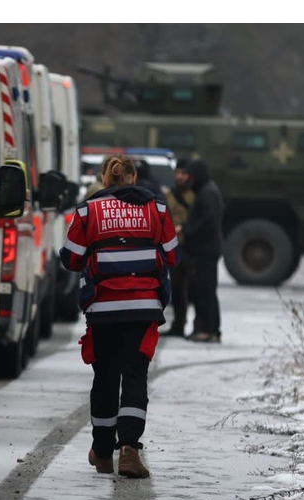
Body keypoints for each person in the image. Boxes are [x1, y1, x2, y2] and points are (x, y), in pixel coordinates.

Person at [60, 154, 179, 478]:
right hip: (143, 309)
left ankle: (101, 452)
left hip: (103, 309)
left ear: (104, 177)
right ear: (133, 177)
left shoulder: (88, 210)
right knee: (135, 375)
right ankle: (129, 450)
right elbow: (171, 255)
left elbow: (70, 259)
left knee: (106, 377)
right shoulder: (157, 209)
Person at [183, 159, 223, 343]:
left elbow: (208, 222)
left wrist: (187, 229)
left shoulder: (208, 193)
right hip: (203, 250)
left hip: (206, 251)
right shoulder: (207, 191)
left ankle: (210, 329)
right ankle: (206, 328)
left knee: (206, 291)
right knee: (202, 290)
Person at [160, 158, 196, 337]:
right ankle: (178, 324)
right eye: (177, 173)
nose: (180, 177)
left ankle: (198, 326)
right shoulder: (170, 194)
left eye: (183, 173)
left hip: (190, 245)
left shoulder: (194, 194)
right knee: (176, 287)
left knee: (193, 288)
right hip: (174, 246)